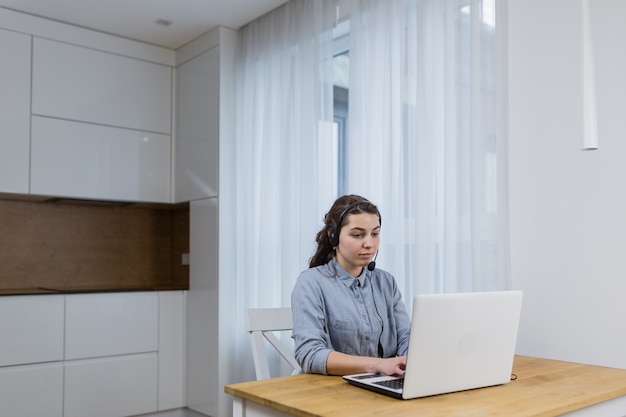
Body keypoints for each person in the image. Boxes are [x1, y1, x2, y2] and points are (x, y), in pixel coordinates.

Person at [291, 194, 411, 376]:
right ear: (334, 237)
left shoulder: (386, 283)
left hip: (379, 388)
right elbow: (310, 354)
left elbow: (406, 338)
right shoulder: (311, 283)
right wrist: (378, 365)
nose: (369, 244)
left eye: (375, 234)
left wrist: (409, 359)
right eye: (357, 235)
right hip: (330, 394)